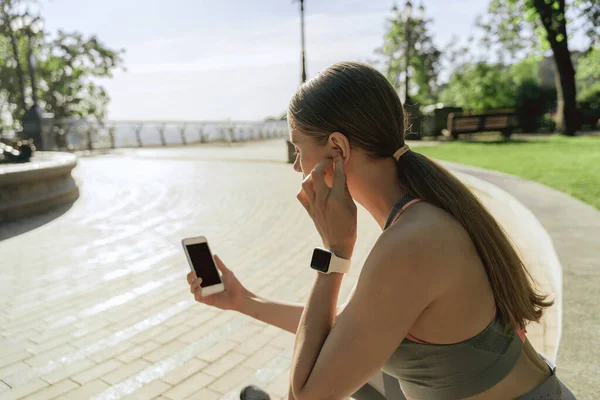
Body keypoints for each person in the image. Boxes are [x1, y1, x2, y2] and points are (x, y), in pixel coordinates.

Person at [187, 61, 576, 400]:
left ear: (337, 149)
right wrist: (245, 301)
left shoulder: (413, 243)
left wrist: (335, 251)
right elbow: (347, 329)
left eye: (297, 150)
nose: (295, 168)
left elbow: (307, 394)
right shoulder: (421, 211)